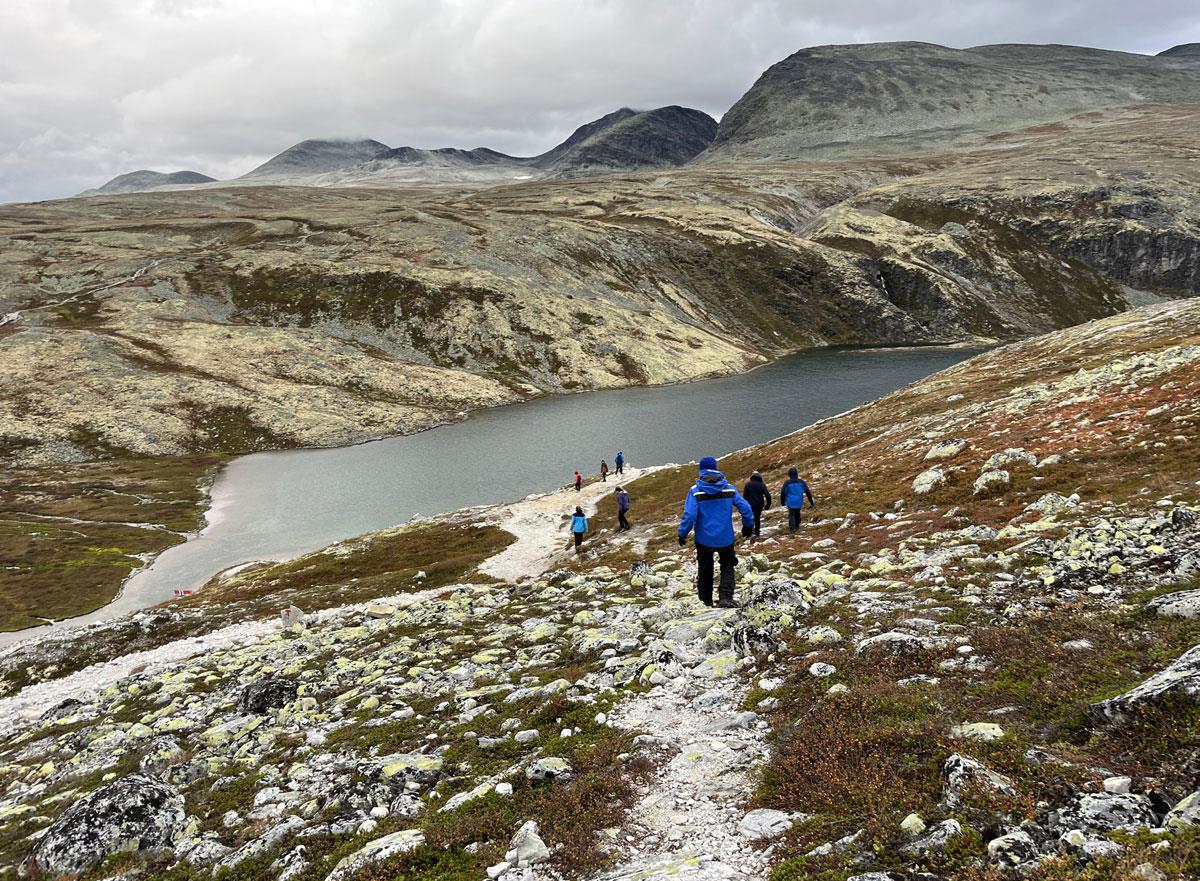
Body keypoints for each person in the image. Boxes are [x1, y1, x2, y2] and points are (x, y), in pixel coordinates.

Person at [678, 455, 754, 608]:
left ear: (701, 471)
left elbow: (690, 515)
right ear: (716, 469)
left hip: (704, 539)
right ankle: (726, 596)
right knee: (728, 564)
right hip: (725, 538)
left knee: (705, 568)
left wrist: (682, 533)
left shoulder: (695, 491)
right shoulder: (729, 488)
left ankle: (705, 600)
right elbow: (746, 508)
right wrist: (748, 525)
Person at [780, 467, 815, 531]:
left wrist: (782, 502)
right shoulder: (801, 482)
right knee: (797, 512)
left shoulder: (787, 483)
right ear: (796, 474)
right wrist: (811, 502)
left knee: (792, 514)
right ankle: (797, 525)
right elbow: (807, 492)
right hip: (799, 501)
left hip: (790, 501)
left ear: (789, 474)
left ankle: (792, 528)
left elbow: (783, 492)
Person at [741, 471, 772, 539]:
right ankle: (757, 532)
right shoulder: (762, 484)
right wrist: (768, 505)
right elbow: (767, 495)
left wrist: (744, 506)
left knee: (750, 518)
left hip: (749, 505)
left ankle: (749, 533)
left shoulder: (748, 485)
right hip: (759, 505)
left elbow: (744, 497)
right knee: (757, 518)